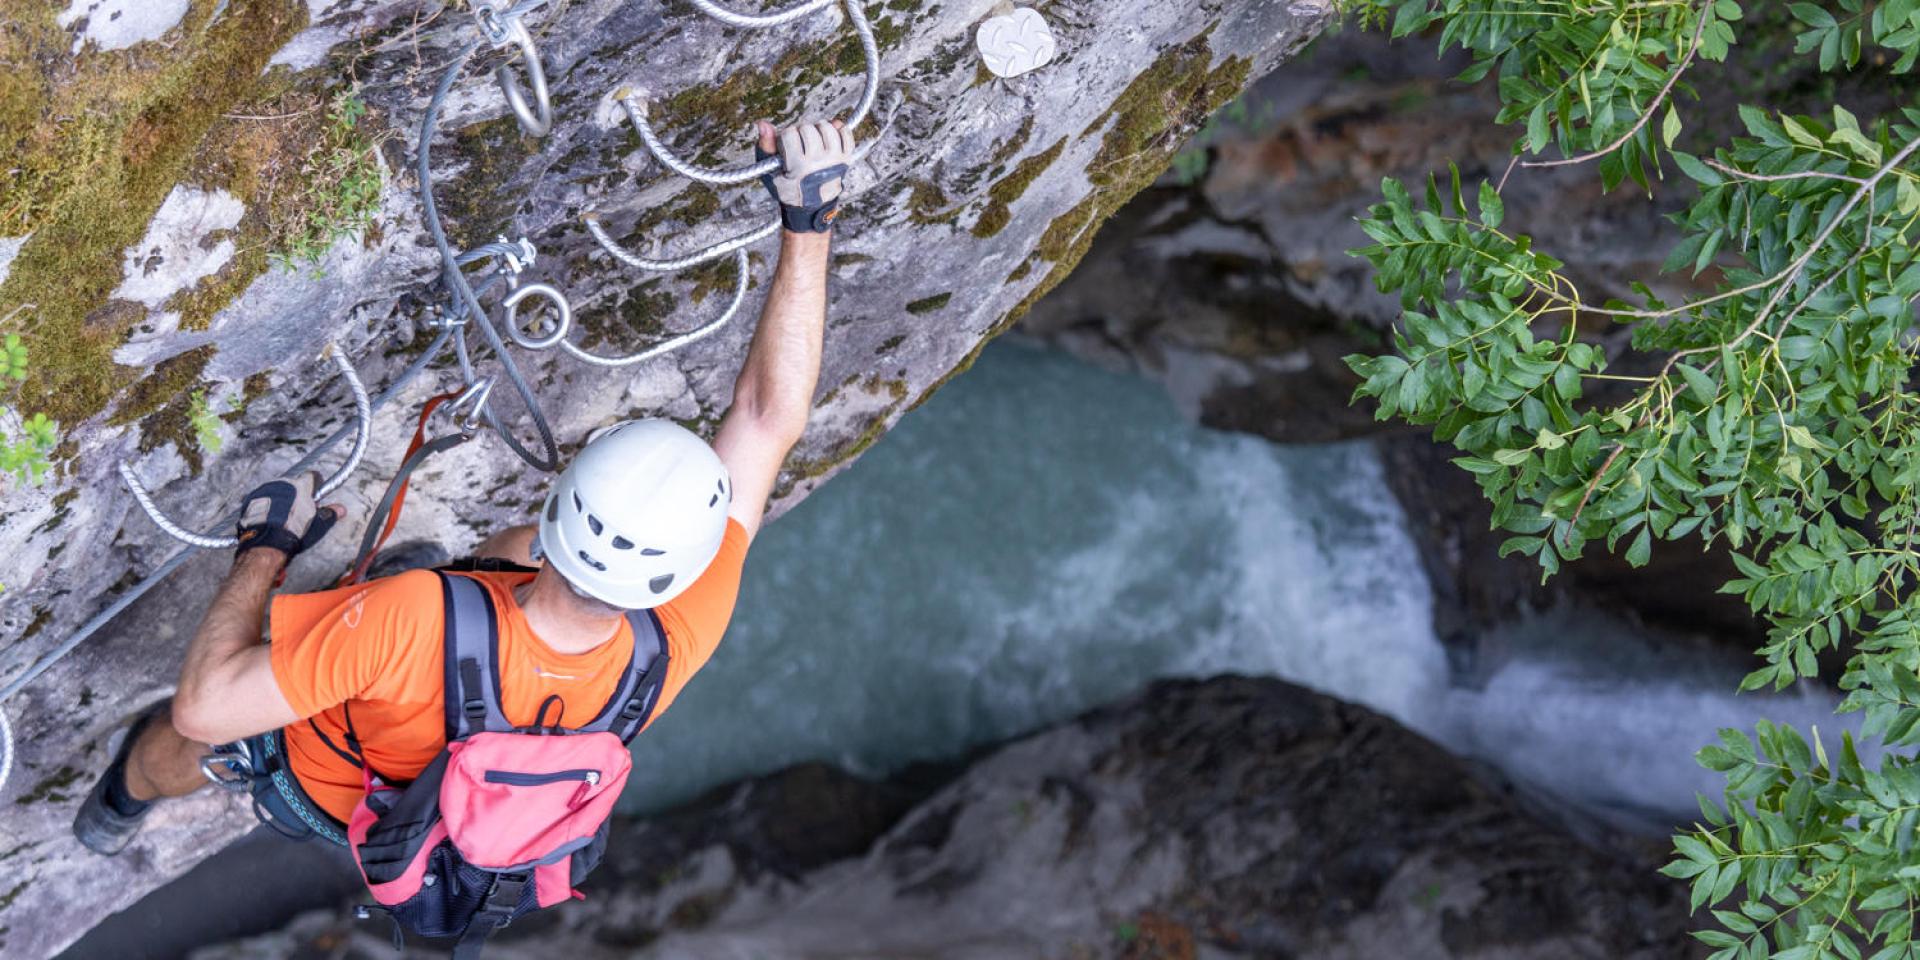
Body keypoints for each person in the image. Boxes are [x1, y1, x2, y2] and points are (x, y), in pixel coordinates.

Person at [72, 117, 855, 853]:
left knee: (189, 740)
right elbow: (765, 421)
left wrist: (264, 551)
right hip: (433, 803)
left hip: (329, 783)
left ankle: (123, 800)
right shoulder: (680, 629)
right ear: (682, 566)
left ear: (560, 511)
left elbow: (204, 706)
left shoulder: (410, 622)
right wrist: (808, 228)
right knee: (492, 561)